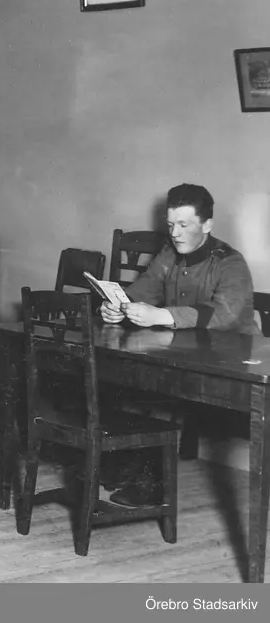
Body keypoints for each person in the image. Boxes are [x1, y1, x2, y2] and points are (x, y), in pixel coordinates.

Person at [100, 183, 257, 507]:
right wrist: (117, 306)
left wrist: (161, 315)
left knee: (151, 389)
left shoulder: (230, 263)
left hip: (232, 367)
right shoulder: (169, 255)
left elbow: (223, 314)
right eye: (171, 224)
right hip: (186, 357)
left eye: (184, 225)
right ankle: (131, 467)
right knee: (128, 383)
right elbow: (142, 290)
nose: (174, 233)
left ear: (207, 225)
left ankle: (151, 483)